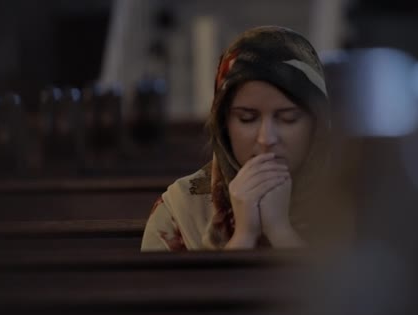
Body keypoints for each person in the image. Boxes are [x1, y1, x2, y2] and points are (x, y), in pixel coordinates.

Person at [141, 25, 356, 252]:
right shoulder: (181, 208)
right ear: (224, 126)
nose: (266, 139)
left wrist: (279, 230)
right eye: (247, 118)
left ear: (317, 125)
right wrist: (244, 236)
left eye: (288, 119)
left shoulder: (354, 200)